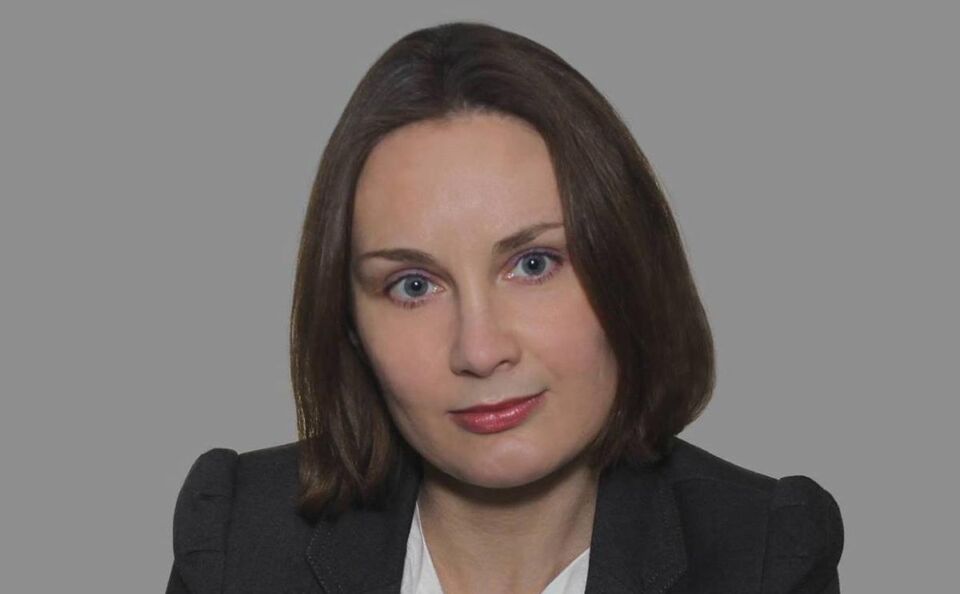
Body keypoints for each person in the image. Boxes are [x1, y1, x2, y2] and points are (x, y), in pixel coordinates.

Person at [166, 21, 844, 594]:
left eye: (534, 264)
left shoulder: (764, 558)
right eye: (413, 285)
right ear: (349, 326)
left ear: (630, 273)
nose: (480, 349)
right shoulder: (236, 540)